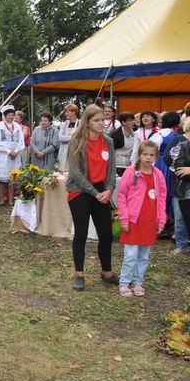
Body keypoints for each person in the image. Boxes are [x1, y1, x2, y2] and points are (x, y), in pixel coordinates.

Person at [65, 104, 118, 292]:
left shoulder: (108, 142)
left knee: (106, 234)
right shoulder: (77, 141)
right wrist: (95, 194)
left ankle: (107, 272)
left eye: (103, 119)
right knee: (81, 234)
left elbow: (112, 169)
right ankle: (79, 274)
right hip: (80, 191)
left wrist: (110, 189)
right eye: (96, 120)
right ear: (87, 121)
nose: (101, 123)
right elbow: (76, 174)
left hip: (102, 191)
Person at [117, 141, 166, 297]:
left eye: (152, 155)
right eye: (145, 154)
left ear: (156, 156)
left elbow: (162, 198)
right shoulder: (131, 172)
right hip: (133, 221)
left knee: (144, 255)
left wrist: (161, 219)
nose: (148, 158)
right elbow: (121, 196)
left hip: (149, 221)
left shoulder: (158, 175)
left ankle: (138, 282)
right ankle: (124, 282)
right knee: (130, 255)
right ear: (139, 155)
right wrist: (124, 219)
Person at [0, 105, 25, 206]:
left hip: (15, 155)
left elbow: (21, 140)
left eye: (13, 115)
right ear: (5, 116)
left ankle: (11, 199)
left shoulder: (17, 126)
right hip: (2, 155)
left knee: (12, 178)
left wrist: (16, 151)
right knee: (2, 179)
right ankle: (2, 199)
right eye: (9, 115)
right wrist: (9, 151)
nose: (11, 117)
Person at [165, 118, 190, 256]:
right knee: (180, 217)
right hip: (181, 186)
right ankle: (182, 245)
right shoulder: (182, 144)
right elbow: (178, 168)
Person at [57, 104, 80, 170]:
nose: (65, 114)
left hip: (76, 151)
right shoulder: (64, 124)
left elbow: (81, 138)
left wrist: (66, 137)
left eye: (67, 112)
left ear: (73, 112)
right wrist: (74, 137)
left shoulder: (80, 123)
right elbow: (60, 138)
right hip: (64, 152)